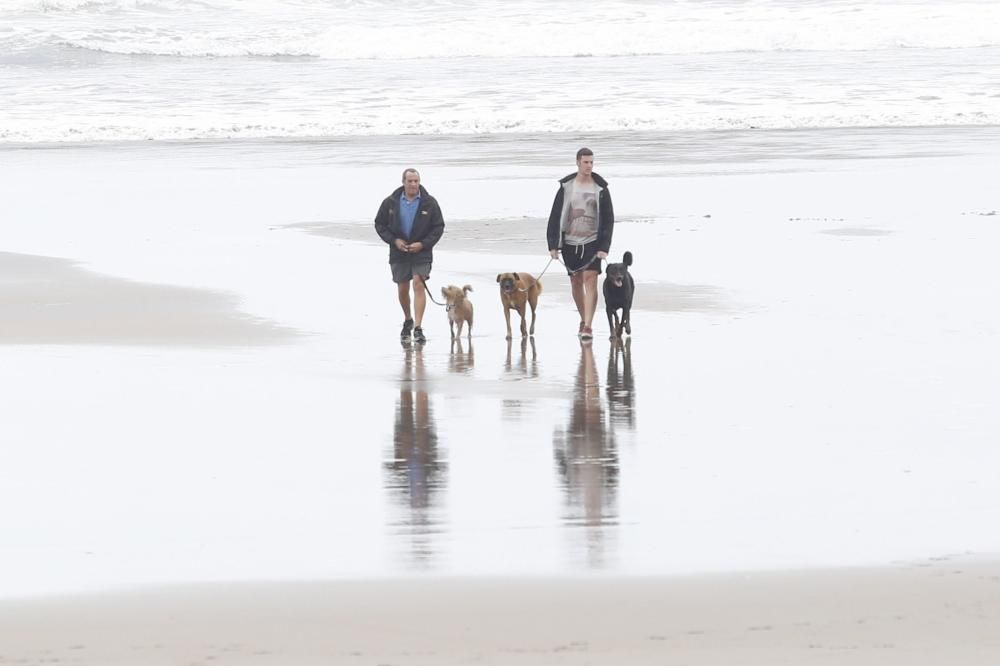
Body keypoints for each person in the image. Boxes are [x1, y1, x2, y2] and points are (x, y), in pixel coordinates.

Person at [546, 147, 615, 340]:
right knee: (575, 282)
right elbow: (555, 216)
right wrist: (553, 245)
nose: (589, 166)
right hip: (569, 242)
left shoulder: (600, 188)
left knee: (590, 279)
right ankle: (583, 319)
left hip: (592, 242)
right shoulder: (566, 187)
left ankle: (588, 326)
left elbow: (609, 219)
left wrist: (604, 247)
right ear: (578, 162)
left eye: (592, 162)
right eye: (586, 162)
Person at [374, 168, 445, 343]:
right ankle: (408, 320)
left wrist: (423, 244)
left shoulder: (430, 203)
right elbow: (379, 224)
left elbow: (438, 227)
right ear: (403, 182)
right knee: (403, 288)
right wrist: (394, 241)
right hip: (399, 252)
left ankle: (419, 328)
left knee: (419, 285)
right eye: (410, 181)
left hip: (422, 252)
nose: (413, 184)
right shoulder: (390, 202)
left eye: (416, 181)